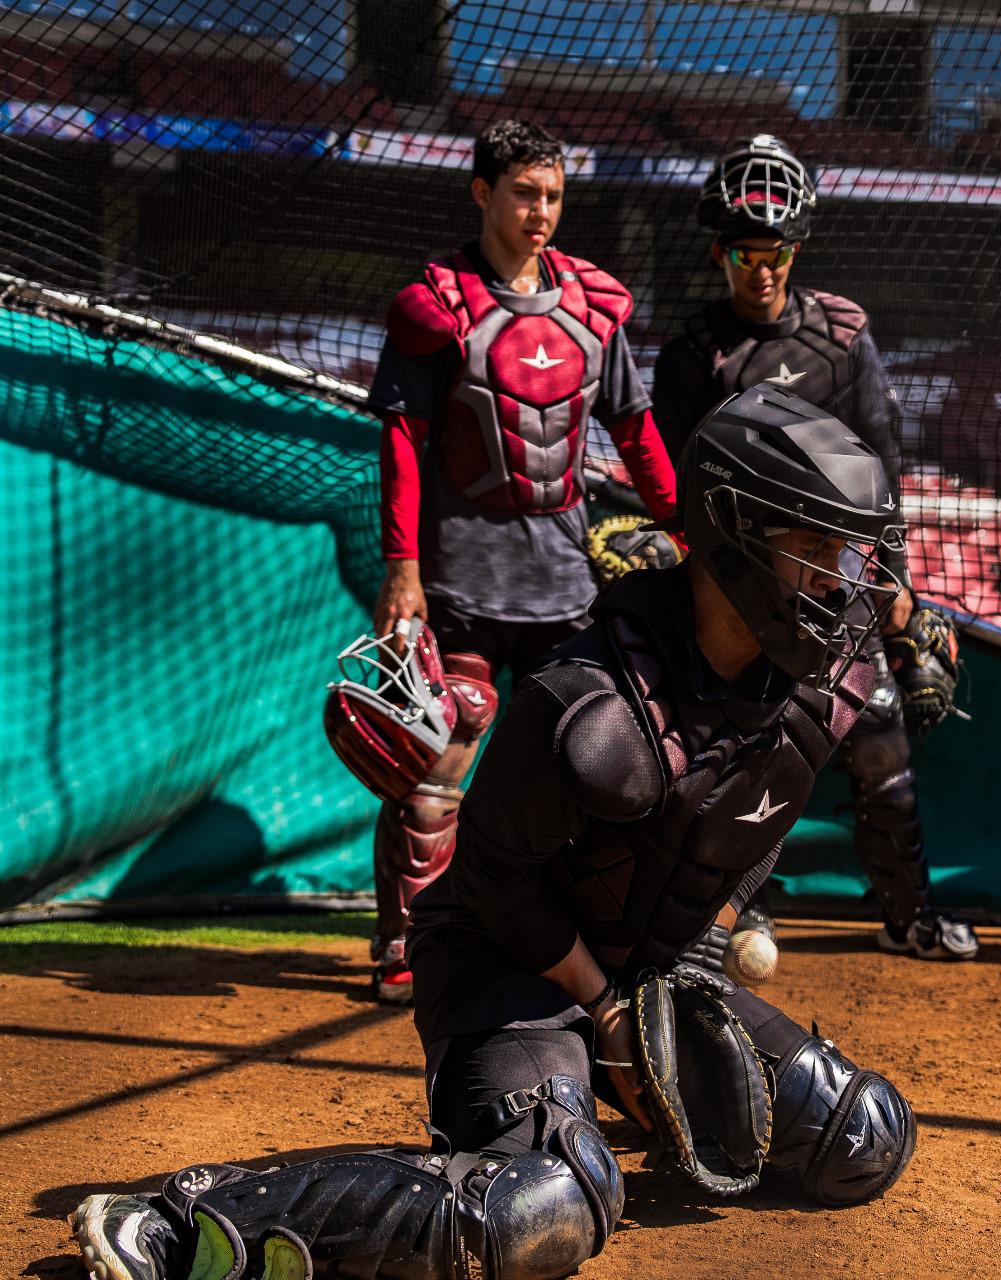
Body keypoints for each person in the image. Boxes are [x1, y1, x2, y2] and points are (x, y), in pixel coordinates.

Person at [70, 386, 918, 1280]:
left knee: (865, 1134)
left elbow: (750, 820)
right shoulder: (589, 712)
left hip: (645, 967)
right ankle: (180, 1224)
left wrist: (689, 979)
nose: (847, 580)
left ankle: (590, 1099)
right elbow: (490, 883)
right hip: (505, 963)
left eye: (852, 551)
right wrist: (608, 1012)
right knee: (546, 1200)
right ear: (734, 536)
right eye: (816, 549)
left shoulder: (819, 684)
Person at [360, 119, 677, 1002]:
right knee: (440, 763)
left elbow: (636, 432)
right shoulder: (437, 305)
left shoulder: (594, 307)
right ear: (483, 193)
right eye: (525, 194)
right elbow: (404, 443)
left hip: (565, 582)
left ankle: (562, 944)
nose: (541, 213)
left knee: (587, 768)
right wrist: (402, 567)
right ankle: (411, 948)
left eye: (554, 196)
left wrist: (684, 527)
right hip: (459, 577)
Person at [652, 134, 978, 962]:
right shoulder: (693, 350)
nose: (761, 269)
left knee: (879, 745)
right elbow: (672, 477)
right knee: (735, 755)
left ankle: (911, 918)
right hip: (735, 589)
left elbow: (886, 465)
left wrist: (894, 586)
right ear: (720, 251)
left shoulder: (842, 336)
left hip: (837, 576)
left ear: (796, 248)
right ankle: (732, 915)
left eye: (776, 252)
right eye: (744, 252)